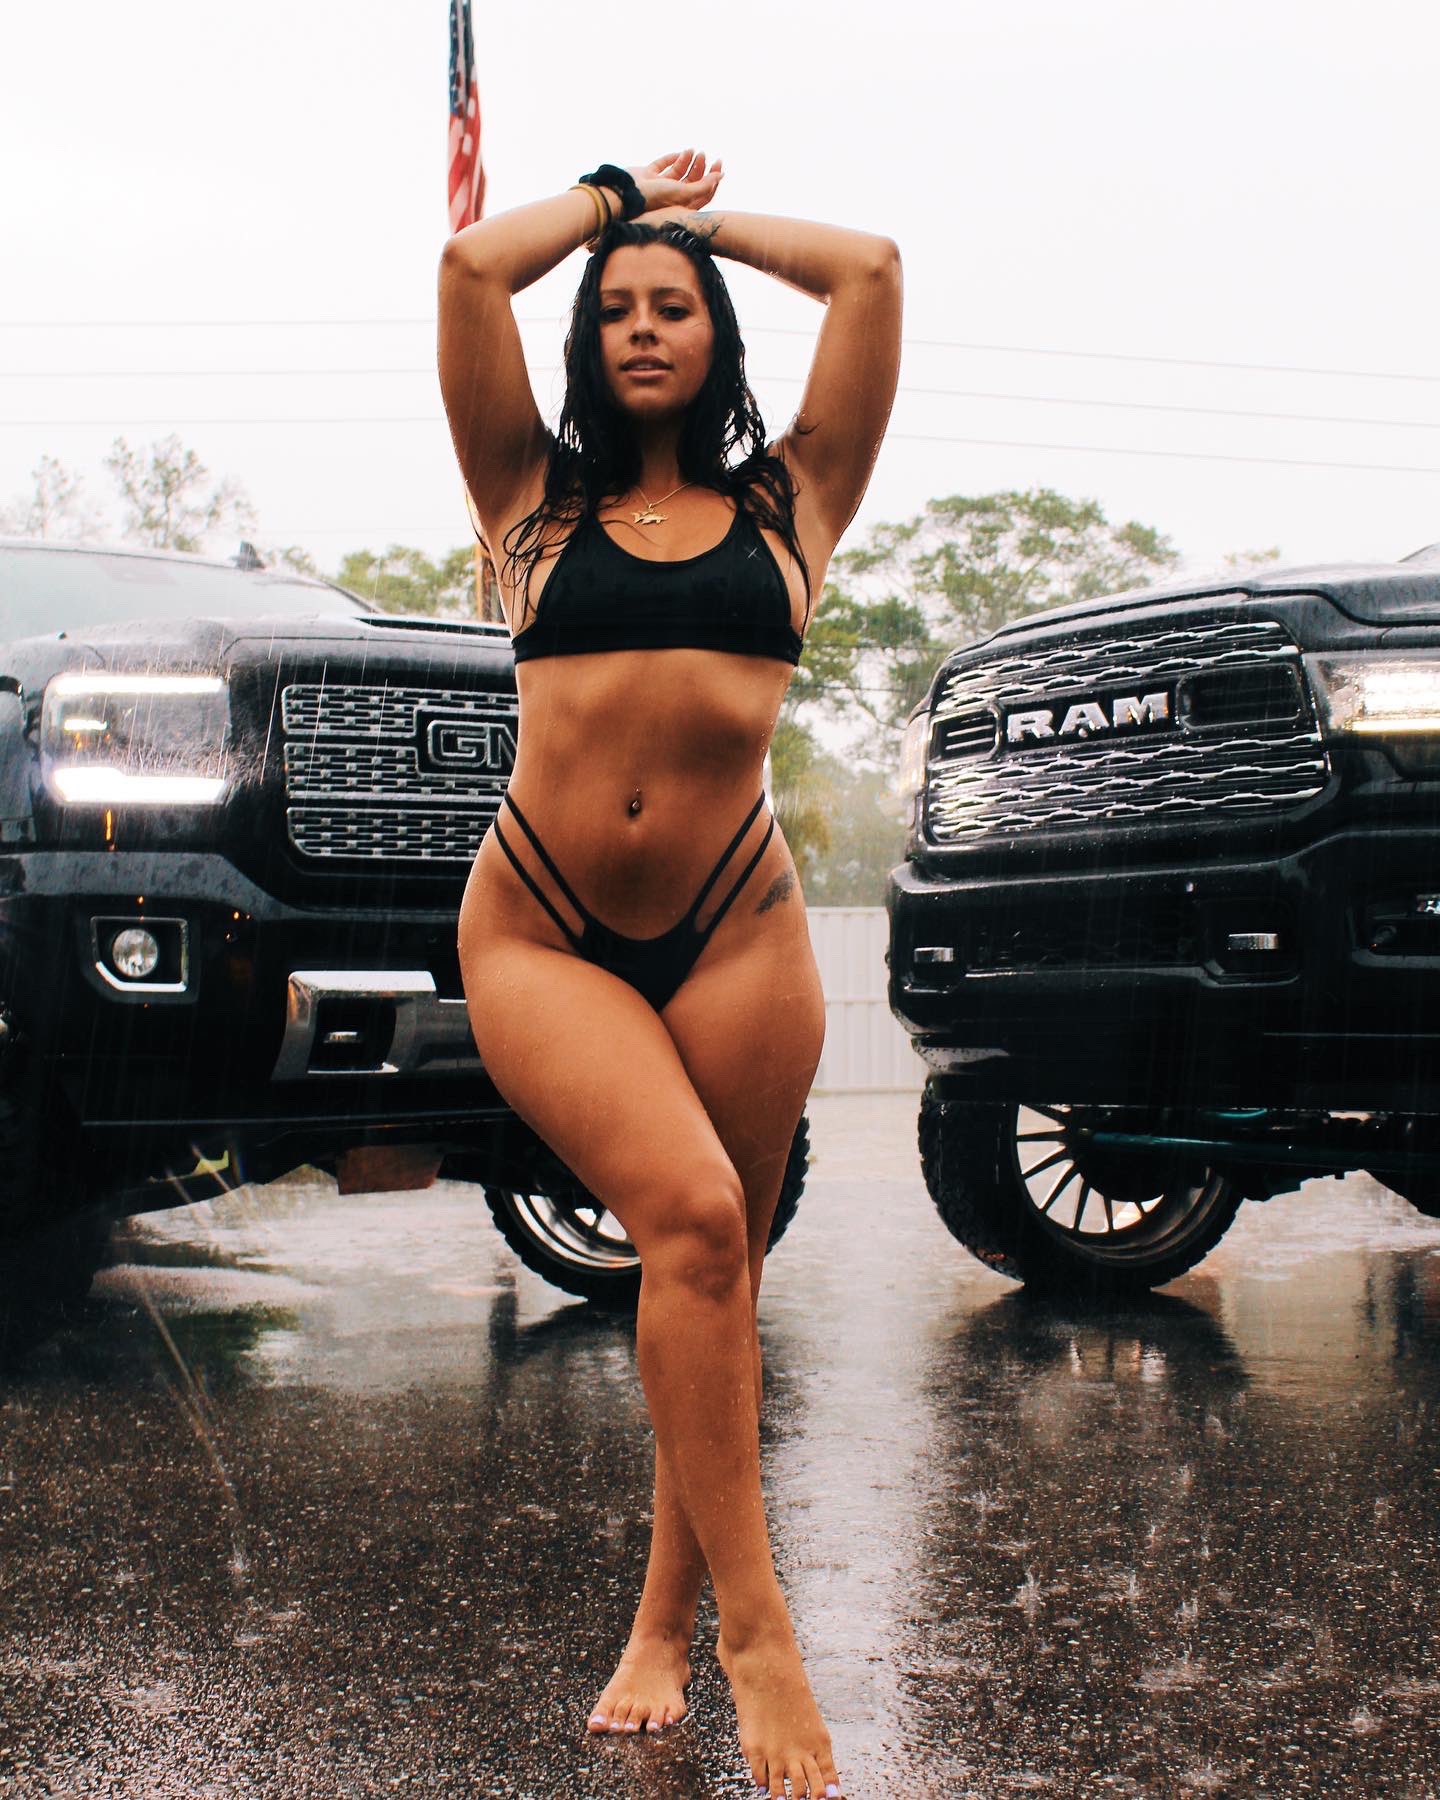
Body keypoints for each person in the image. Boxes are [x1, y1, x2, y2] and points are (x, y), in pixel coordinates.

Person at [438, 149, 901, 1800]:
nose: (644, 325)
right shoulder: (527, 500)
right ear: (588, 341)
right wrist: (616, 196)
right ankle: (761, 1634)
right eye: (620, 307)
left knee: (717, 1276)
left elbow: (869, 272)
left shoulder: (792, 503)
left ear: (716, 335)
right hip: (543, 924)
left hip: (738, 925)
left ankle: (662, 1623)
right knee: (694, 1223)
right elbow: (471, 274)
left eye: (675, 305)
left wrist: (707, 226)